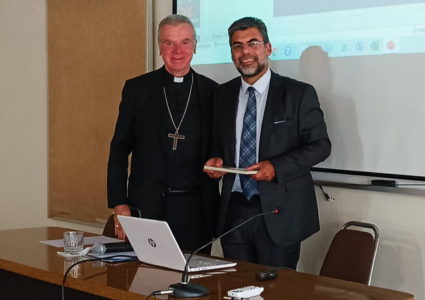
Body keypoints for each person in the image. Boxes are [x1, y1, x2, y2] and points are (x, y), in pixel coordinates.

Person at [204, 17, 331, 268]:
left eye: (253, 43)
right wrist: (216, 159)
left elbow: (320, 146)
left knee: (277, 292)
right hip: (234, 211)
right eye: (237, 46)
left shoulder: (298, 93)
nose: (245, 52)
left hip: (279, 212)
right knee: (236, 289)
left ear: (268, 48)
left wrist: (276, 166)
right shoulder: (222, 94)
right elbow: (218, 141)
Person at [107, 14, 219, 254]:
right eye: (169, 42)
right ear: (160, 47)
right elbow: (119, 149)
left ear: (195, 46)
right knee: (145, 284)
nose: (177, 50)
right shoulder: (137, 89)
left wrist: (218, 161)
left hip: (196, 213)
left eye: (185, 42)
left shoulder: (212, 92)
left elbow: (219, 145)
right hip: (147, 209)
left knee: (193, 287)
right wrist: (119, 203)